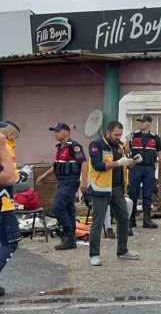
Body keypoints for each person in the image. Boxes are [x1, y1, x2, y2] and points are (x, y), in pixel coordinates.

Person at [87, 121, 139, 267]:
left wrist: (131, 162)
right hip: (100, 189)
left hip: (117, 189)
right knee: (97, 222)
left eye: (120, 135)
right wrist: (118, 163)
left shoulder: (120, 146)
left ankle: (122, 250)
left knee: (123, 219)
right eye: (116, 134)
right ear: (108, 132)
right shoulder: (97, 145)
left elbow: (125, 166)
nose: (118, 137)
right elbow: (97, 166)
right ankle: (94, 255)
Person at [36, 122, 88, 251]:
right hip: (62, 181)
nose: (55, 133)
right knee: (69, 208)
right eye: (54, 131)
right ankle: (71, 239)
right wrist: (45, 175)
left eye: (58, 131)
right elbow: (56, 165)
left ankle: (68, 236)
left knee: (58, 207)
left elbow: (84, 163)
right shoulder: (60, 147)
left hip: (70, 181)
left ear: (67, 132)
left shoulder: (74, 146)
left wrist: (84, 182)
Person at [0, 122, 29, 296]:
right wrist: (23, 174)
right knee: (11, 242)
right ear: (9, 136)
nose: (16, 142)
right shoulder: (6, 148)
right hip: (3, 205)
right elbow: (11, 177)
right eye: (15, 137)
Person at [125, 115, 161, 232]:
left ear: (149, 123)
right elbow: (126, 150)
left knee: (148, 193)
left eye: (143, 122)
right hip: (135, 167)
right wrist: (127, 140)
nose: (141, 124)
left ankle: (146, 219)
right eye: (140, 122)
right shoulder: (134, 135)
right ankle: (131, 218)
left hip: (149, 167)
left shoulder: (155, 138)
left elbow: (160, 152)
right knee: (133, 192)